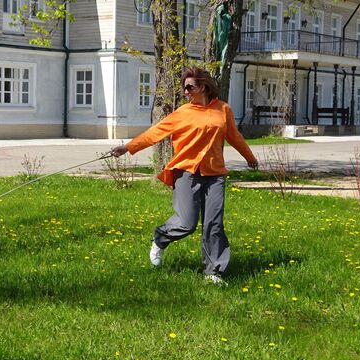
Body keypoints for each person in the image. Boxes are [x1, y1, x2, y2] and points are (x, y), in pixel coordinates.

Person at [110, 66, 258, 285]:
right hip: (186, 171)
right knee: (186, 223)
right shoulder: (182, 113)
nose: (186, 92)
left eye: (190, 87)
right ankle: (160, 237)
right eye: (184, 88)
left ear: (203, 86)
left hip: (215, 173)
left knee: (214, 224)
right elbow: (155, 133)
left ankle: (213, 271)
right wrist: (128, 147)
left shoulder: (223, 110)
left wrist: (249, 156)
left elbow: (234, 136)